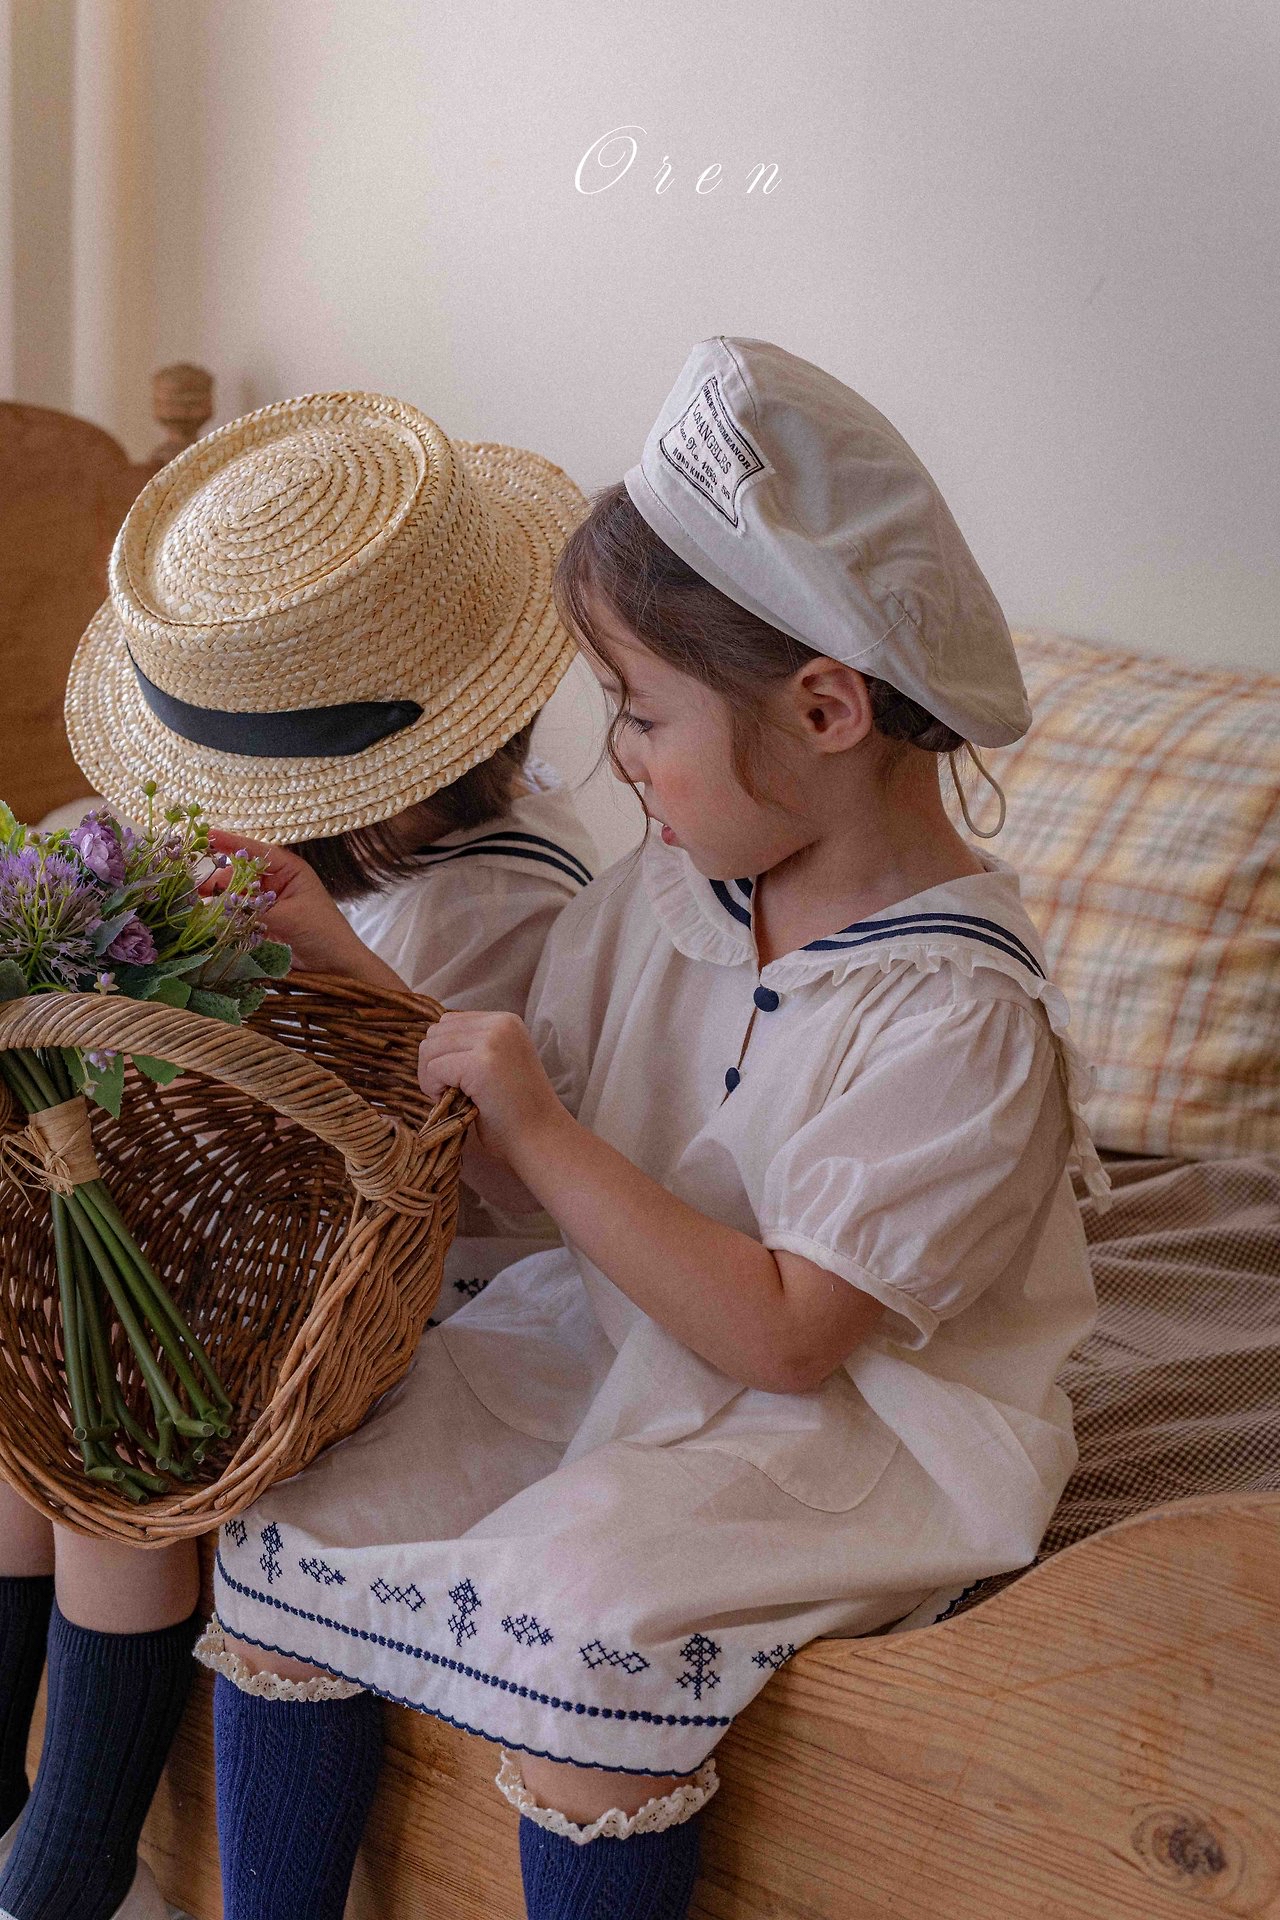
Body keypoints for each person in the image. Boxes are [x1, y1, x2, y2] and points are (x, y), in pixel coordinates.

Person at [205, 339, 1109, 1920]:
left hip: (846, 1426)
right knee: (305, 1507)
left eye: (639, 713)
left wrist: (544, 1132)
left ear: (825, 707)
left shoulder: (952, 1012)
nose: (617, 758)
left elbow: (788, 1340)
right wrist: (347, 968)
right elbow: (517, 1159)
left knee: (593, 1603)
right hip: (618, 1342)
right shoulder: (668, 900)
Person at [0, 392, 593, 1920]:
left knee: (111, 1445)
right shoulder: (303, 882)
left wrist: (327, 966)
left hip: (422, 1291)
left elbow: (476, 1165)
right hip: (284, 1246)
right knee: (23, 1416)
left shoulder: (507, 911)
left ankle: (67, 1863)